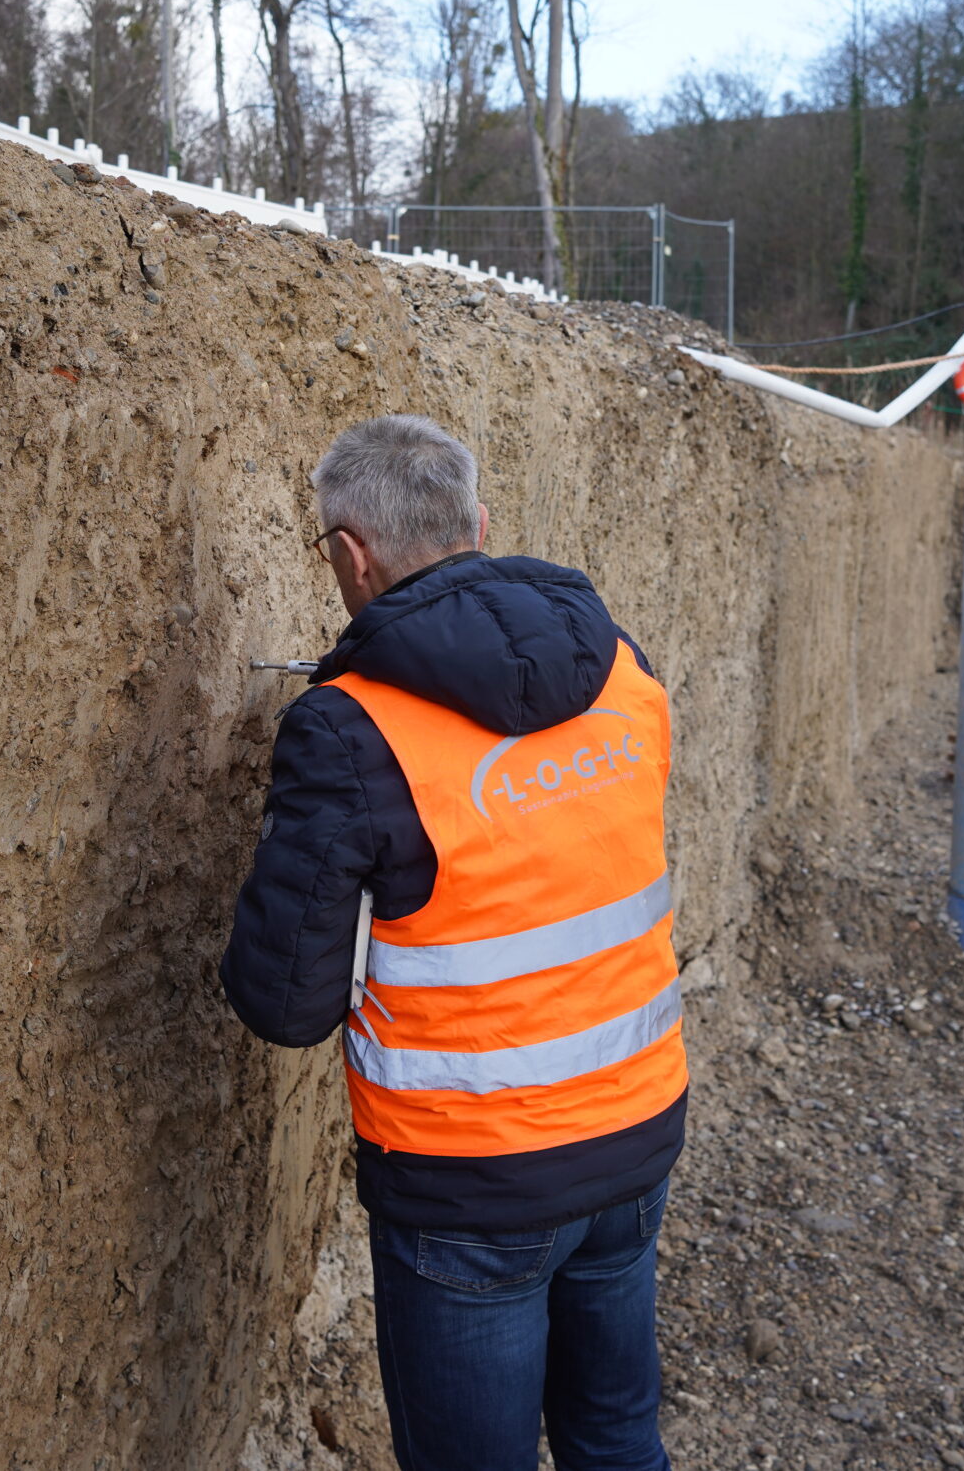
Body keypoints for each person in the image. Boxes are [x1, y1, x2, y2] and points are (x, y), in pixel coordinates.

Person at [223, 415, 685, 1471]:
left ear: (351, 556)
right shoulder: (621, 665)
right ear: (477, 523)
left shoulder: (347, 728)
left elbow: (286, 1005)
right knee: (617, 1438)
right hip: (635, 1134)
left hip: (471, 1184)